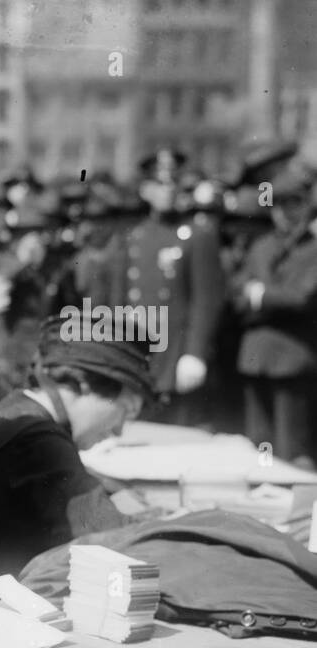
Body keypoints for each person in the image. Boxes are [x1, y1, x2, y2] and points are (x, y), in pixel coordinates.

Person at [0, 317, 153, 609]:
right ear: (84, 385)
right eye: (125, 410)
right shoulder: (42, 441)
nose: (119, 430)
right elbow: (115, 541)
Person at [94, 146, 225, 427]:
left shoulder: (195, 235)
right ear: (145, 190)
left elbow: (206, 299)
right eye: (161, 184)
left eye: (174, 182)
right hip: (138, 352)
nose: (169, 190)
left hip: (175, 353)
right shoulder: (133, 237)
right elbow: (117, 300)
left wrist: (195, 353)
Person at [234, 159, 317, 467]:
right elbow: (237, 293)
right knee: (260, 445)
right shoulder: (261, 247)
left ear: (307, 206)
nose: (285, 212)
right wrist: (265, 298)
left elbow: (302, 298)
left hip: (293, 357)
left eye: (294, 203)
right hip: (256, 355)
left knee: (291, 446)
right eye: (278, 205)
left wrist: (260, 295)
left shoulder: (313, 250)